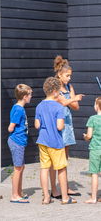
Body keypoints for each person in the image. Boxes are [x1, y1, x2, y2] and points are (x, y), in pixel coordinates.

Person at [35, 77, 76, 205]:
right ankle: (65, 198)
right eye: (58, 91)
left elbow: (37, 125)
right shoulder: (59, 107)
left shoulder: (39, 105)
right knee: (61, 169)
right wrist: (62, 125)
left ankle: (46, 197)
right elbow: (59, 126)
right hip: (56, 142)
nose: (59, 93)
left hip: (42, 141)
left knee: (44, 168)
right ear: (54, 91)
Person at [50, 55, 84, 199]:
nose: (69, 78)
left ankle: (65, 187)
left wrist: (71, 100)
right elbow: (61, 102)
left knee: (65, 157)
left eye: (70, 75)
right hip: (58, 124)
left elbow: (76, 106)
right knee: (54, 158)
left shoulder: (69, 87)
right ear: (59, 74)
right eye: (67, 75)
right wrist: (72, 99)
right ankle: (54, 189)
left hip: (68, 125)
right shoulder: (54, 87)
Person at [8, 84, 32, 203]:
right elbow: (10, 128)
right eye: (30, 95)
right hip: (16, 141)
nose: (31, 97)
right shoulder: (18, 109)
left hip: (20, 141)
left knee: (21, 167)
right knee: (17, 168)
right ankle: (14, 195)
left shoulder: (19, 108)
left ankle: (19, 192)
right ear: (24, 96)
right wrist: (13, 128)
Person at [83, 97, 101, 204]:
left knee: (94, 173)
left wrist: (85, 137)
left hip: (95, 149)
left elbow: (89, 136)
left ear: (97, 106)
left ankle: (93, 197)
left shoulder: (92, 119)